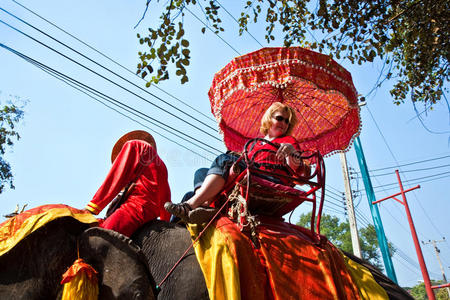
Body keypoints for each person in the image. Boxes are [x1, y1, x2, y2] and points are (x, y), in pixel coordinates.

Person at [165, 102, 310, 221]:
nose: (283, 123)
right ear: (269, 118)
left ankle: (192, 205)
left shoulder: (289, 141)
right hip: (250, 172)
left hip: (268, 178)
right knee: (201, 172)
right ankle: (201, 203)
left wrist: (291, 153)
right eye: (280, 118)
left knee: (224, 160)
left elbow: (294, 172)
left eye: (287, 121)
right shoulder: (254, 144)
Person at [85, 130, 171, 237]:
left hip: (135, 208)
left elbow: (116, 177)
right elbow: (166, 200)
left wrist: (92, 207)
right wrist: (165, 222)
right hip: (152, 215)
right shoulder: (161, 164)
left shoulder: (134, 145)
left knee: (100, 237)